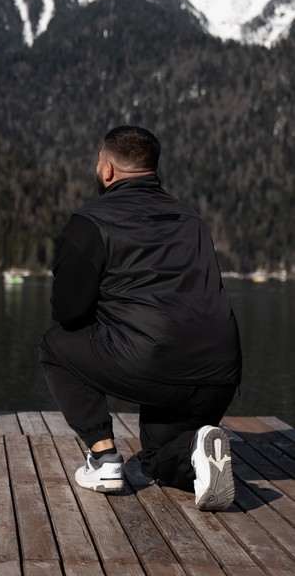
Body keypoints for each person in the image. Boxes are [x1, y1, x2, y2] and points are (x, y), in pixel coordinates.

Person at [39, 126, 242, 510]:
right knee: (159, 459)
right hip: (219, 370)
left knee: (55, 346)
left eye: (99, 162)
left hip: (151, 360)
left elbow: (67, 312)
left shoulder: (91, 221)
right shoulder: (191, 218)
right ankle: (196, 448)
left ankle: (103, 459)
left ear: (108, 170)